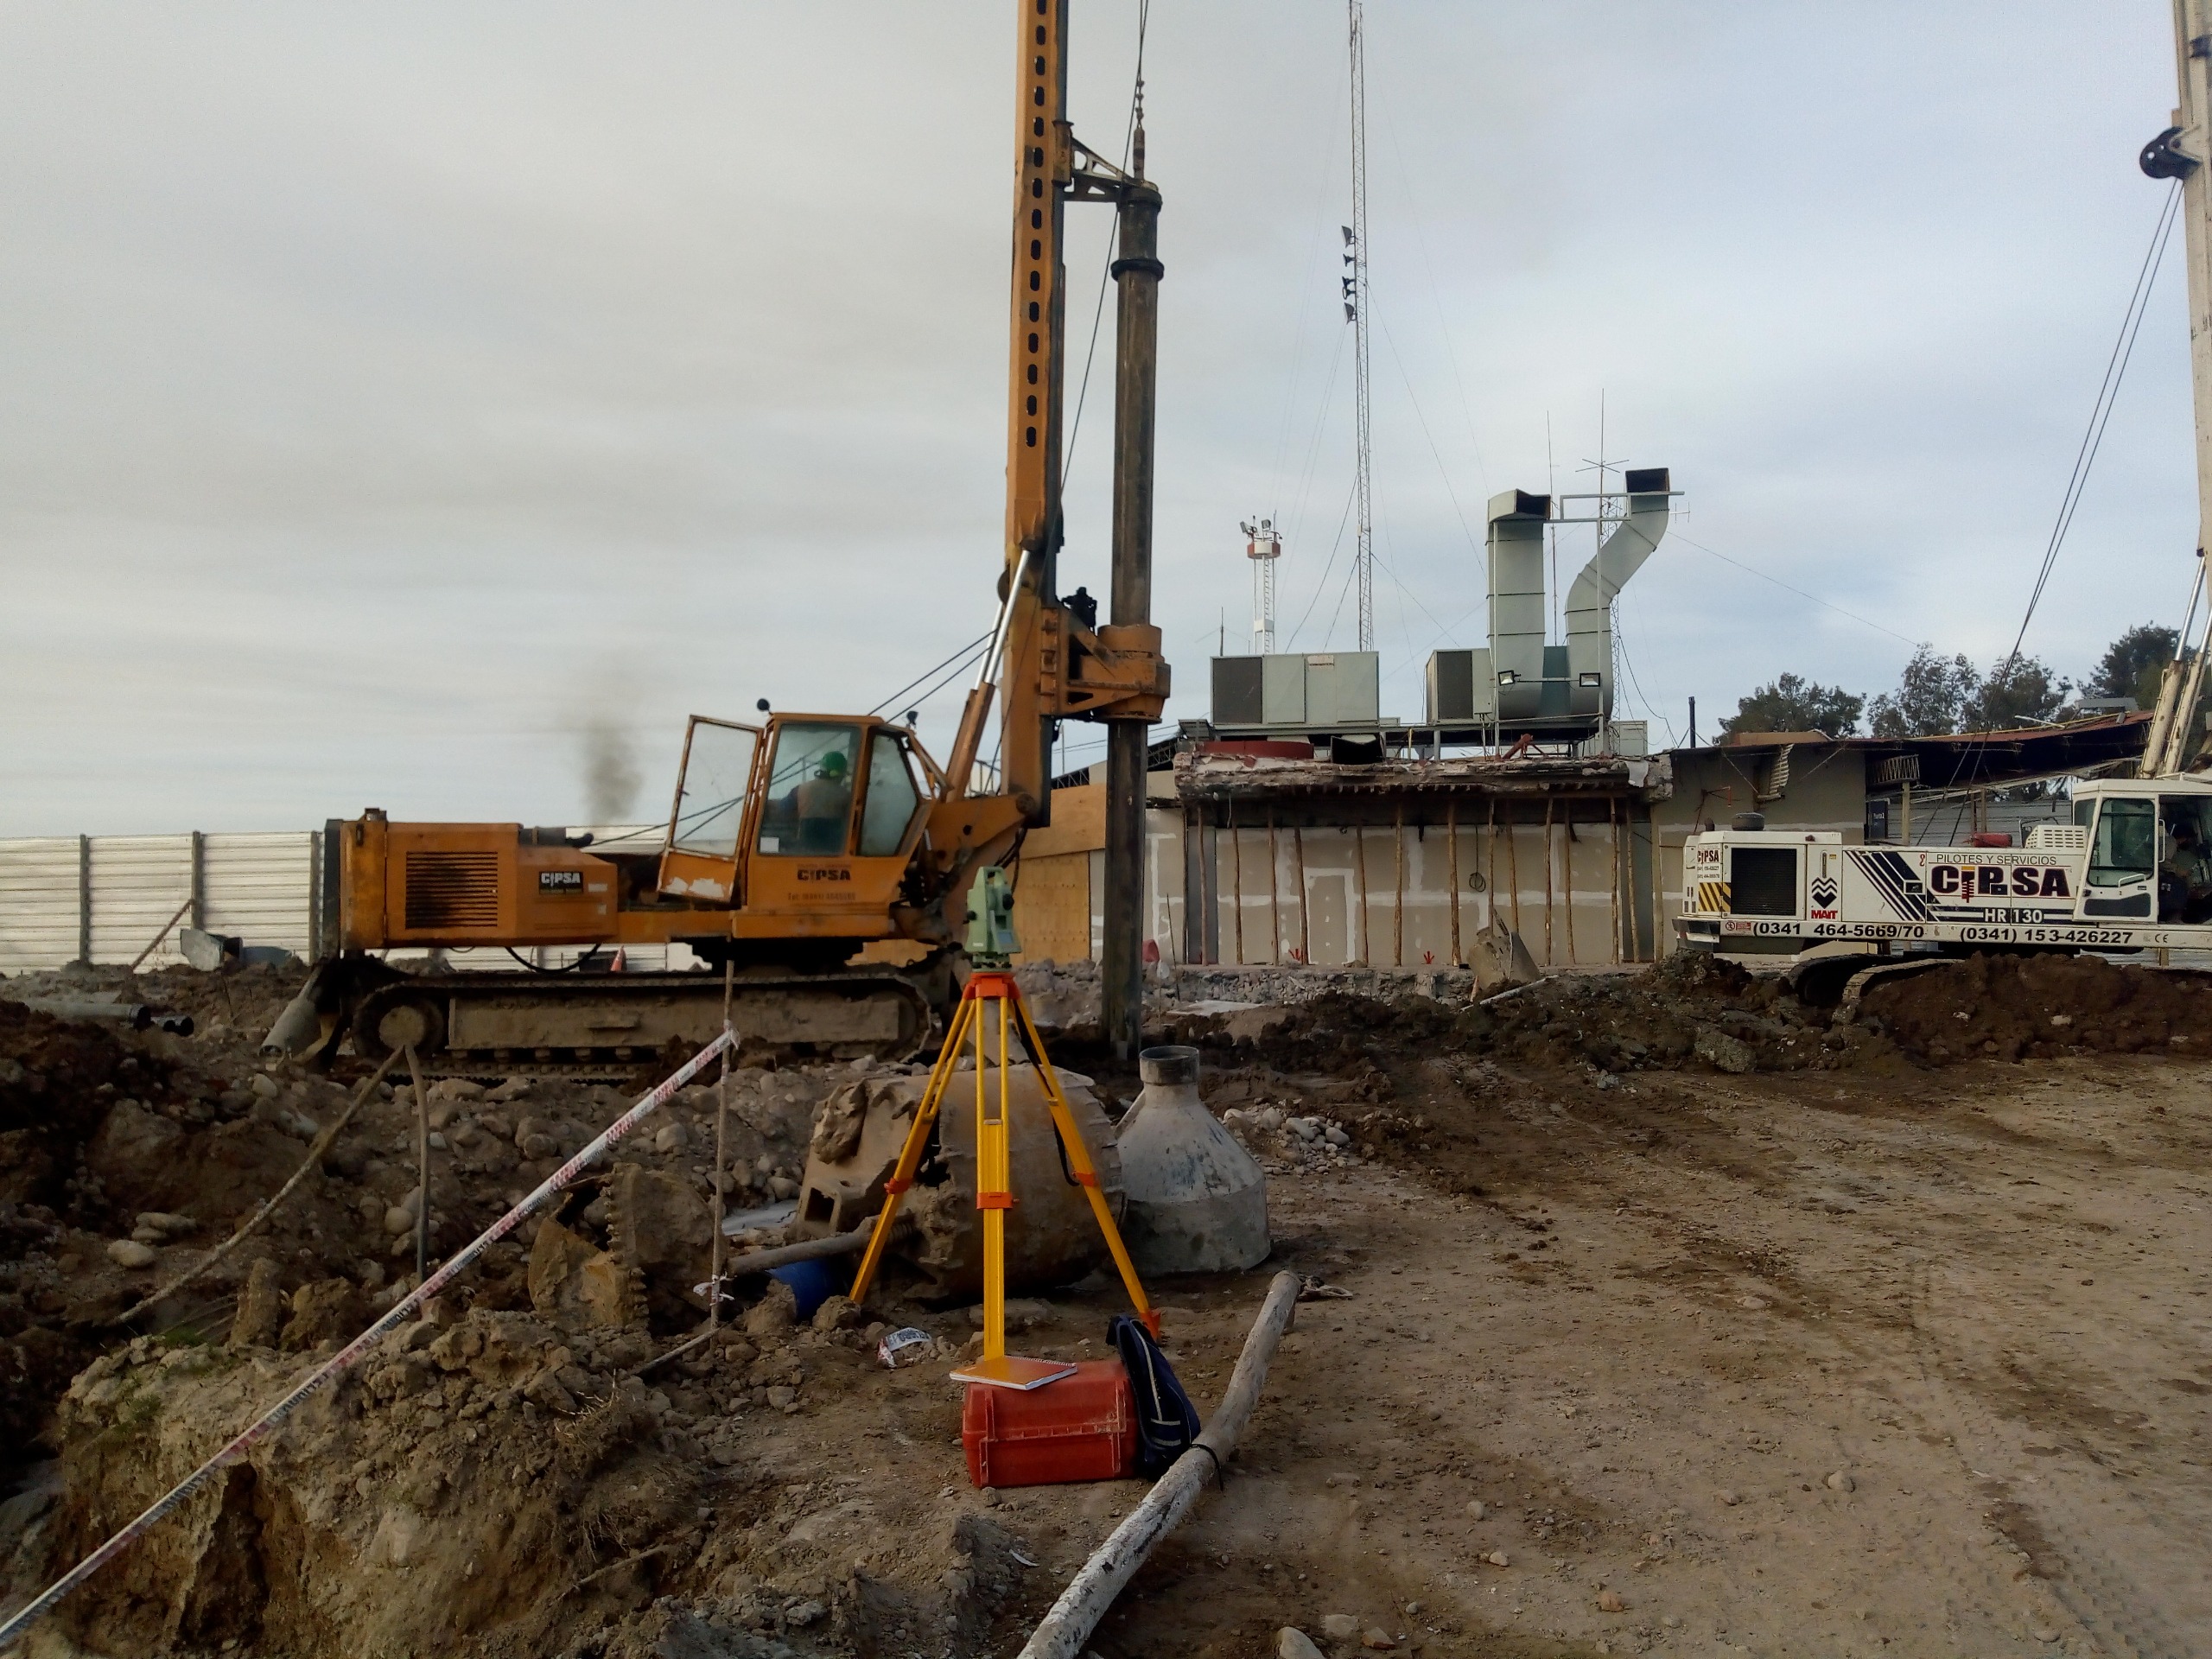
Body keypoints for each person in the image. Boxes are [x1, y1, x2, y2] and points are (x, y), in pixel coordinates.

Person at [790, 749, 853, 854]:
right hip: (835, 852)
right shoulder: (846, 795)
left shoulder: (801, 789)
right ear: (837, 774)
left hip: (805, 850)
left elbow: (784, 808)